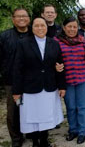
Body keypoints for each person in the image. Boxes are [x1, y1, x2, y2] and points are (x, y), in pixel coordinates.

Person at [12, 17, 66, 147]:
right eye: (37, 26)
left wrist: (62, 86)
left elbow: (60, 66)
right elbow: (17, 68)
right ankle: (35, 141)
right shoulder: (23, 43)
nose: (40, 28)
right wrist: (16, 91)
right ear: (32, 27)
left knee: (46, 114)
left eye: (43, 26)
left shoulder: (54, 43)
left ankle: (44, 139)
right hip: (30, 86)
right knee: (33, 115)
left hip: (48, 85)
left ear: (47, 28)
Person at [55, 17, 85, 144]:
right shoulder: (57, 41)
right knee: (71, 107)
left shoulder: (82, 41)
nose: (72, 29)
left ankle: (82, 131)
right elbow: (52, 59)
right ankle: (73, 130)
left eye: (74, 27)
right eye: (69, 27)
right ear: (64, 27)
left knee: (82, 107)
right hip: (66, 81)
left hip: (82, 79)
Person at [0, 8, 31, 147]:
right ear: (13, 19)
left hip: (31, 79)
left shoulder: (34, 34)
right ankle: (16, 138)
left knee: (31, 108)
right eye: (18, 16)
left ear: (29, 19)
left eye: (24, 16)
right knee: (13, 110)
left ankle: (32, 133)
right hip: (11, 79)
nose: (21, 19)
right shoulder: (4, 36)